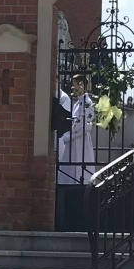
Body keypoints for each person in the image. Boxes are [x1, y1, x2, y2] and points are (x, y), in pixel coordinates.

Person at [55, 74, 97, 231]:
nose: (75, 87)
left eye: (78, 84)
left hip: (79, 141)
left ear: (84, 86)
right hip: (73, 140)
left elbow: (84, 125)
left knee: (79, 170)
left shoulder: (87, 103)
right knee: (70, 170)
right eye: (73, 84)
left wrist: (67, 136)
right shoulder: (78, 102)